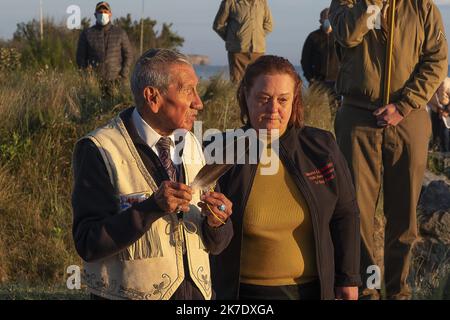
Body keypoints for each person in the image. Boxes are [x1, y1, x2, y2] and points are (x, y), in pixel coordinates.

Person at [72, 48, 234, 300]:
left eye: (196, 89)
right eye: (187, 90)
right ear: (152, 97)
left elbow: (216, 243)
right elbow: (88, 243)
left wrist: (218, 222)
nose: (198, 102)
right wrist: (150, 208)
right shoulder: (99, 149)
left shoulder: (191, 143)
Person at [210, 55, 361, 300]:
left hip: (312, 291)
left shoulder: (321, 147)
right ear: (246, 96)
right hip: (244, 294)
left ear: (295, 101)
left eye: (283, 100)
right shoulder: (221, 151)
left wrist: (348, 279)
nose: (273, 109)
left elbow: (346, 213)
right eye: (263, 99)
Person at [330, 0, 448, 299]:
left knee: (404, 215)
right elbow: (346, 35)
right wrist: (371, 5)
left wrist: (405, 104)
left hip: (408, 119)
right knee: (357, 213)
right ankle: (367, 290)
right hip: (357, 116)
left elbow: (436, 60)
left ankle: (398, 291)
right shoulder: (348, 2)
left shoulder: (423, 8)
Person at [76, 1, 133, 98]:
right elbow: (80, 57)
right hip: (94, 84)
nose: (103, 14)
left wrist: (123, 75)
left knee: (115, 110)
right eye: (100, 12)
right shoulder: (87, 34)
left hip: (116, 82)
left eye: (105, 12)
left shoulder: (120, 33)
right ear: (95, 15)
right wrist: (87, 76)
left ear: (110, 14)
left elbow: (128, 55)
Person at [213, 0, 273, 83]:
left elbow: (269, 25)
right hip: (237, 53)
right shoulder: (230, 2)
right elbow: (218, 25)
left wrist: (257, 37)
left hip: (258, 52)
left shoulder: (262, 2)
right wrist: (234, 39)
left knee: (257, 84)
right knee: (237, 85)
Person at [301, 8, 339, 89]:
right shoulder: (313, 37)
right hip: (317, 81)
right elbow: (305, 59)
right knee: (315, 102)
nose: (328, 20)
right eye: (325, 18)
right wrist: (310, 78)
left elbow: (345, 59)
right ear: (320, 20)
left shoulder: (339, 37)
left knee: (336, 102)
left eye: (330, 17)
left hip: (336, 81)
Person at [428, 78, 450, 152]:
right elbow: (429, 101)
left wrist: (447, 111)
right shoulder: (429, 84)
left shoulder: (447, 82)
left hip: (447, 111)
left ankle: (446, 153)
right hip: (436, 111)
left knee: (445, 132)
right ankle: (437, 149)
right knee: (435, 130)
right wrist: (438, 110)